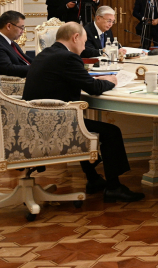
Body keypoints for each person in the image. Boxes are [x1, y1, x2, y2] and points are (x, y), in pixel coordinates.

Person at [22, 22, 145, 203]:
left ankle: (93, 179)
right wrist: (112, 81)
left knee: (82, 122)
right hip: (53, 123)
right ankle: (114, 188)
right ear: (75, 37)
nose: (84, 47)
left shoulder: (46, 53)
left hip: (34, 120)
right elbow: (93, 88)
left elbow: (70, 79)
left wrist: (94, 79)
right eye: (84, 42)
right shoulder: (68, 58)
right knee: (111, 132)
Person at [0, 10, 32, 78]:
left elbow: (25, 60)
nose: (22, 31)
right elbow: (7, 69)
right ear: (9, 26)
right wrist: (35, 69)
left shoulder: (9, 41)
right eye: (21, 28)